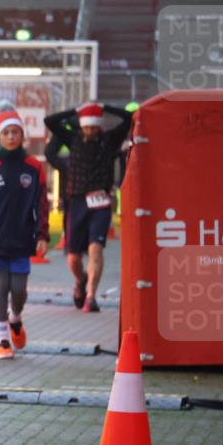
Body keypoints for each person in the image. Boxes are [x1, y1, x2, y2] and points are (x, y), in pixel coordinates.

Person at [0, 111, 50, 360]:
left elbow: (42, 204)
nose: (11, 136)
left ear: (22, 135)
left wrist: (42, 235)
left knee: (18, 290)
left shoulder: (34, 167)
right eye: (6, 132)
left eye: (15, 131)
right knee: (0, 287)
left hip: (22, 238)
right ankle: (2, 340)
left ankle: (15, 318)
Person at [44, 101, 132, 312]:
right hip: (77, 203)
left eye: (94, 126)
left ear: (99, 125)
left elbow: (128, 117)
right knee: (74, 258)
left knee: (96, 249)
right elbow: (50, 121)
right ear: (82, 125)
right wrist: (76, 110)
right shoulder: (73, 139)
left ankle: (91, 296)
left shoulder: (109, 140)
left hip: (101, 202)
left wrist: (104, 107)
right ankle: (81, 280)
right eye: (87, 126)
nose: (91, 130)